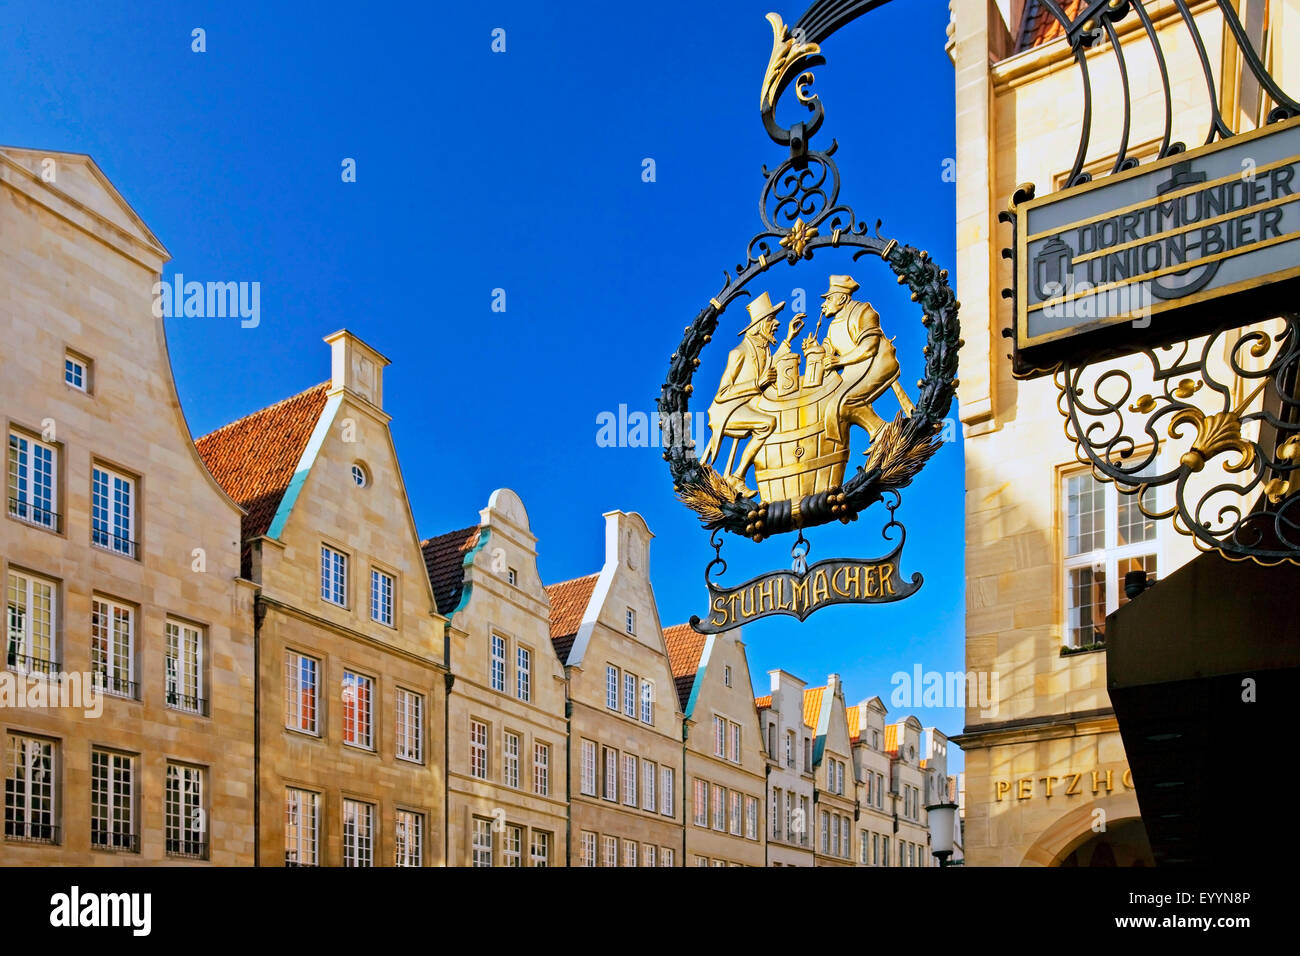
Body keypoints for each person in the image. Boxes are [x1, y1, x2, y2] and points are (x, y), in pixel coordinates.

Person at [702, 291, 804, 496]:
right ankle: (736, 477)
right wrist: (757, 383)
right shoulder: (738, 353)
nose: (776, 324)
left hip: (751, 406)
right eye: (771, 319)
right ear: (759, 325)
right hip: (729, 412)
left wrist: (789, 338)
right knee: (768, 423)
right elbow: (722, 393)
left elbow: (770, 368)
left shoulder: (764, 349)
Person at [818, 275, 912, 444]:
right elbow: (827, 353)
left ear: (842, 298)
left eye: (829, 298)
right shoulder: (832, 327)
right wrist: (813, 349)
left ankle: (883, 432)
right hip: (853, 371)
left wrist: (839, 361)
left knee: (843, 402)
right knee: (827, 403)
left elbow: (869, 347)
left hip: (878, 363)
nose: (823, 304)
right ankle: (880, 432)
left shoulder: (863, 311)